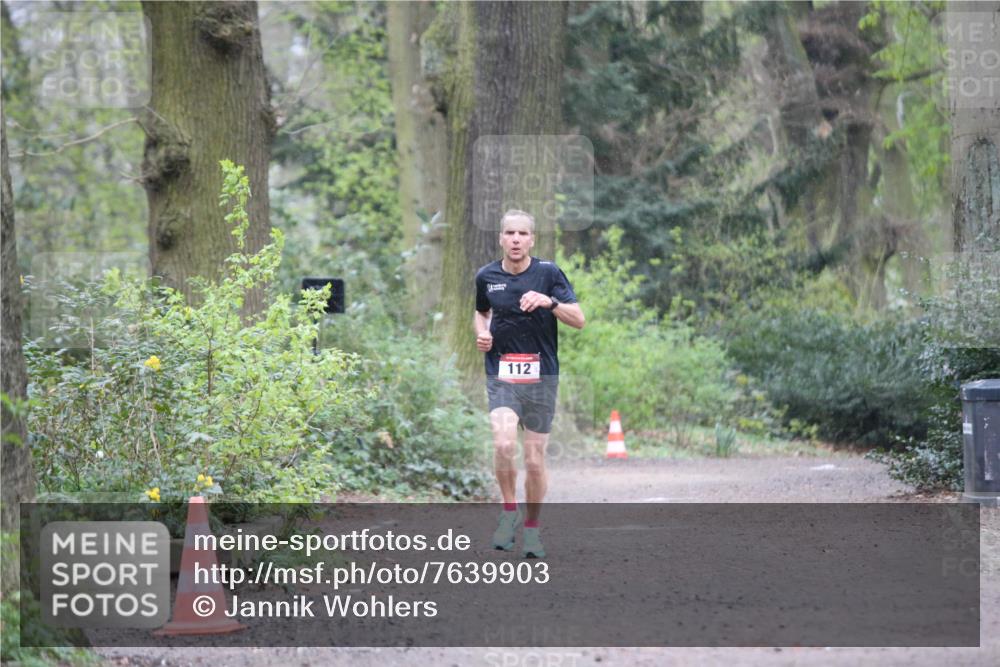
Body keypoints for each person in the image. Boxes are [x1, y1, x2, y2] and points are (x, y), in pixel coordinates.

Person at [474, 209, 585, 558]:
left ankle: (533, 530)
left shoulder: (548, 273)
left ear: (532, 239)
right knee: (504, 444)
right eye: (510, 234)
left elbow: (579, 320)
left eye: (523, 234)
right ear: (501, 239)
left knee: (534, 461)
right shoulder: (486, 276)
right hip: (502, 374)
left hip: (542, 377)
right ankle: (509, 513)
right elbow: (481, 311)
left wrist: (549, 302)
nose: (516, 240)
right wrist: (481, 334)